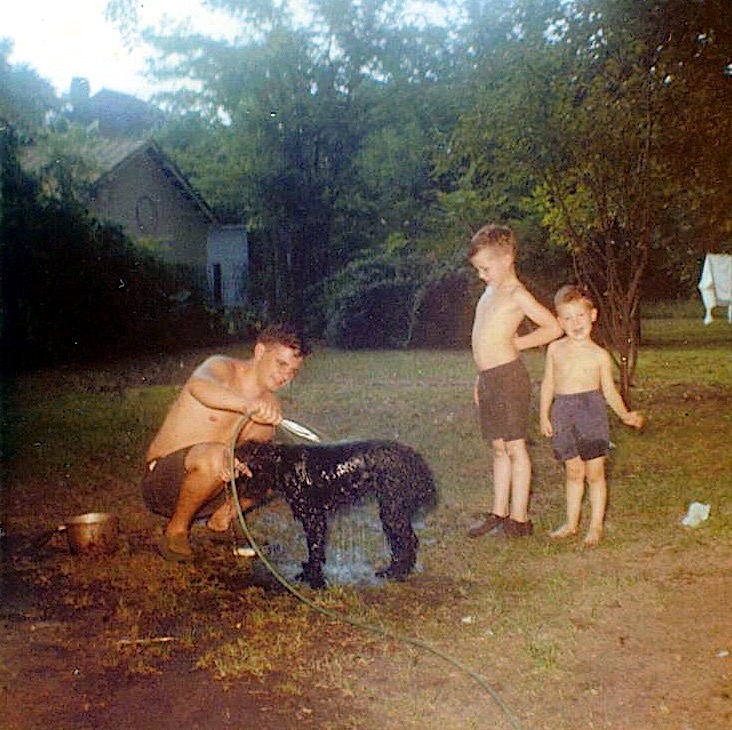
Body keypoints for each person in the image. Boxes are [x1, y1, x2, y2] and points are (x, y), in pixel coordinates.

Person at [142, 324, 311, 562]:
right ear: (260, 351)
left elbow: (254, 457)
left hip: (213, 491)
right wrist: (246, 405)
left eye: (293, 371)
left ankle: (220, 522)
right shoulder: (221, 367)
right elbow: (198, 387)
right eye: (281, 364)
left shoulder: (270, 404)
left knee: (282, 462)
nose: (285, 376)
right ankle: (176, 531)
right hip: (165, 483)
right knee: (214, 455)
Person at [467, 225, 563, 539]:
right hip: (489, 379)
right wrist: (480, 379)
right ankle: (499, 512)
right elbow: (483, 337)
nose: (482, 275)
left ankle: (519, 519)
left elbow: (553, 327)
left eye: (485, 268)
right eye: (479, 269)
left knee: (515, 446)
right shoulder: (488, 292)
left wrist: (517, 344)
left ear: (507, 258)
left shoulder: (517, 294)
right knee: (498, 447)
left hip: (509, 379)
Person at [539, 284, 644, 546]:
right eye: (568, 318)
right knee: (573, 471)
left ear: (593, 315)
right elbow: (548, 384)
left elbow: (609, 391)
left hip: (591, 414)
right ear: (559, 321)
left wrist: (624, 415)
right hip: (563, 411)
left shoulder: (599, 356)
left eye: (580, 316)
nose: (575, 323)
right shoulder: (555, 350)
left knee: (595, 473)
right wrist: (544, 415)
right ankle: (571, 523)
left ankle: (595, 526)